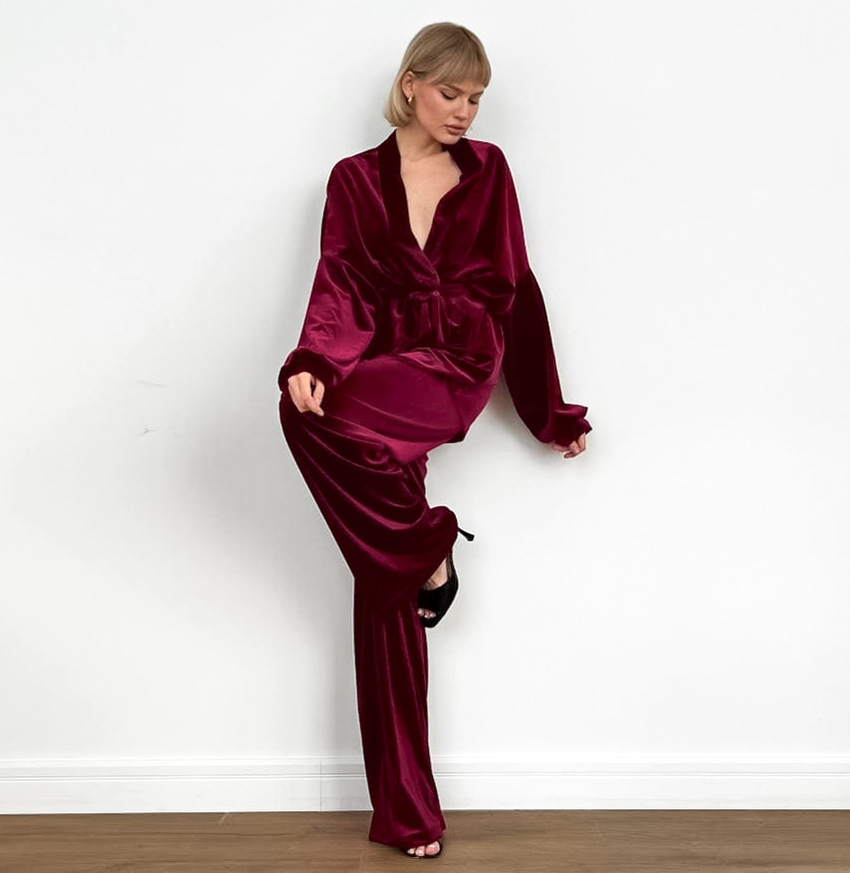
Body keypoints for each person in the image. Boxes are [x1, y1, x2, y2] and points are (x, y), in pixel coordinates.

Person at [278, 22, 590, 860]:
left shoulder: (488, 173)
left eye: (476, 99)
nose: (464, 111)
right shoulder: (353, 179)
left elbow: (518, 288)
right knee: (378, 574)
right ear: (411, 82)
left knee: (338, 444)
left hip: (456, 362)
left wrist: (550, 412)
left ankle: (427, 542)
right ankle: (407, 812)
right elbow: (341, 281)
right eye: (451, 92)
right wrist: (314, 358)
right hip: (381, 363)